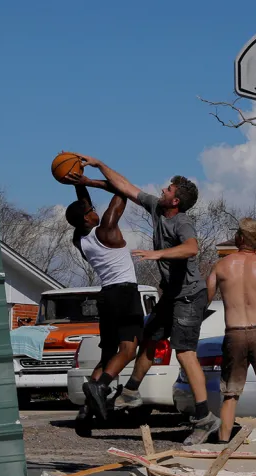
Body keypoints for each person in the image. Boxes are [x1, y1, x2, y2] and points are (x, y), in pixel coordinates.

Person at [64, 154, 220, 445]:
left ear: (176, 201)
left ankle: (204, 418)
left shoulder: (182, 224)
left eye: (169, 189)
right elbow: (123, 187)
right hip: (164, 294)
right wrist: (96, 168)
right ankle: (131, 392)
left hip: (189, 296)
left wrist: (158, 254)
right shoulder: (155, 208)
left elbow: (191, 248)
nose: (163, 190)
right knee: (146, 342)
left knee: (184, 354)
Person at [61, 159, 142, 434]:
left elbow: (83, 205)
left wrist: (79, 184)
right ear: (88, 218)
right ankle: (101, 386)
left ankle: (85, 412)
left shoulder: (80, 240)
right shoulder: (107, 227)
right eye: (92, 210)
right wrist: (93, 178)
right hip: (125, 293)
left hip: (106, 297)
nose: (96, 210)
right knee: (128, 351)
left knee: (108, 355)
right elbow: (123, 191)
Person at [206, 219, 256, 442]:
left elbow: (205, 298)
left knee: (230, 394)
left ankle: (223, 444)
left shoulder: (221, 266)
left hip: (234, 332)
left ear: (240, 238)